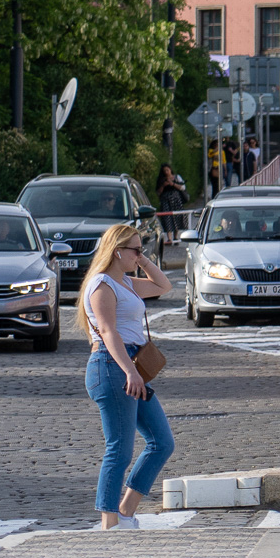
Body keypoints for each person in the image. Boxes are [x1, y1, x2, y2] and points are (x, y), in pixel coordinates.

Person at [81, 222, 173, 531]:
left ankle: (125, 511)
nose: (140, 255)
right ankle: (109, 522)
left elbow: (163, 286)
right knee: (119, 448)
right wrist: (130, 372)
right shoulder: (101, 284)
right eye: (135, 249)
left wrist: (143, 260)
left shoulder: (126, 283)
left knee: (162, 442)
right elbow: (108, 332)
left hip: (130, 365)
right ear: (117, 251)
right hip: (112, 366)